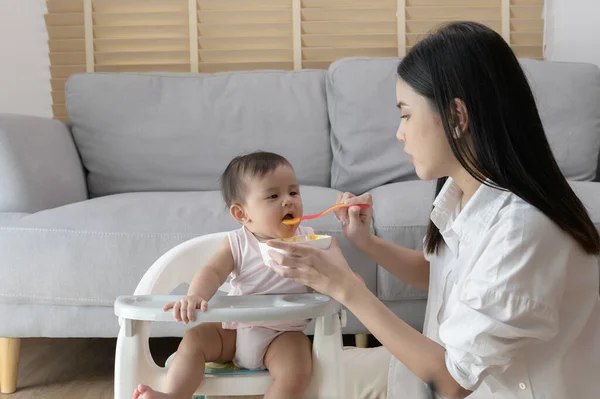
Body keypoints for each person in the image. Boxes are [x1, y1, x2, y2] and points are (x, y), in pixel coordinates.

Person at [267, 21, 600, 399]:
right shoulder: (463, 194)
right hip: (441, 380)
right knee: (322, 374)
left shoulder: (522, 230)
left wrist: (346, 288)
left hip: (471, 385)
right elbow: (444, 276)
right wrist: (367, 243)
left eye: (406, 114)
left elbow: (452, 381)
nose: (399, 132)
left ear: (457, 118)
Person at [134, 151, 314, 399]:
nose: (288, 201)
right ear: (242, 214)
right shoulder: (237, 243)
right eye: (273, 195)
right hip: (235, 330)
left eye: (293, 192)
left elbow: (331, 275)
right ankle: (173, 395)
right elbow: (213, 271)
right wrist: (195, 295)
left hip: (284, 334)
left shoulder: (308, 240)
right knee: (195, 338)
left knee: (297, 368)